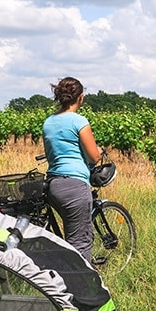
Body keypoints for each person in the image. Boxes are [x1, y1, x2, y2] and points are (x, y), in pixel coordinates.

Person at [42, 77, 103, 262]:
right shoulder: (79, 121)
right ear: (80, 97)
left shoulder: (48, 122)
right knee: (80, 242)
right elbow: (94, 157)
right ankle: (81, 279)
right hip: (75, 186)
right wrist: (99, 151)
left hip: (53, 185)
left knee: (69, 233)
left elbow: (52, 154)